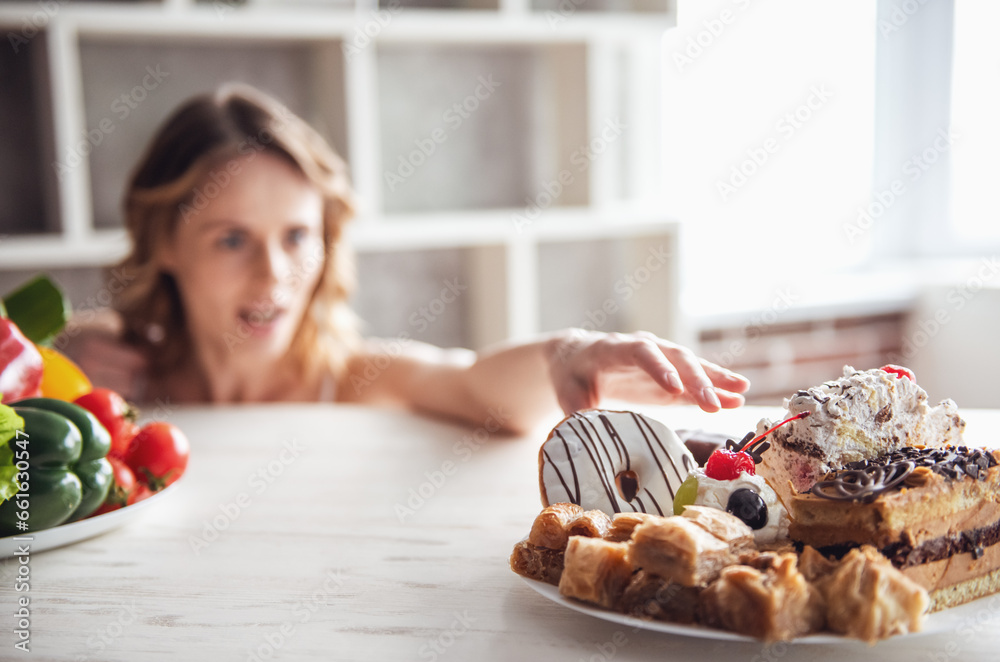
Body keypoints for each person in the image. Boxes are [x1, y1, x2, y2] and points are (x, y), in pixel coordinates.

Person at [66, 84, 750, 435]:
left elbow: (479, 387)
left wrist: (570, 350)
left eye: (298, 236)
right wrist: (50, 356)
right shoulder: (107, 369)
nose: (274, 273)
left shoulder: (356, 378)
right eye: (232, 238)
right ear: (162, 243)